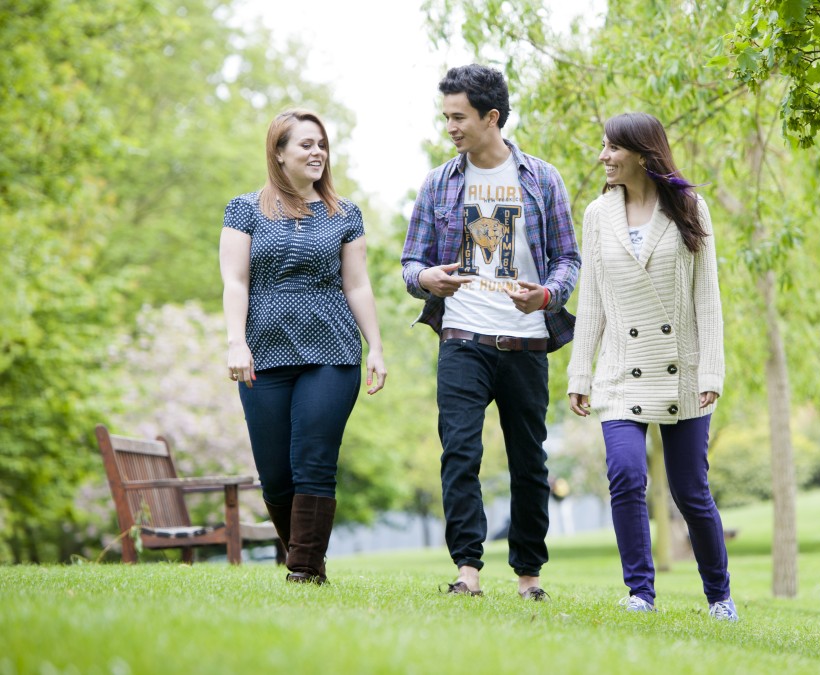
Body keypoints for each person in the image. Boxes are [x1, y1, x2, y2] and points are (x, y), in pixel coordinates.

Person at [401, 64, 580, 600]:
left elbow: (568, 259)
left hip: (525, 341)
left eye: (459, 117)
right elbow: (412, 262)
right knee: (459, 453)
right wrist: (426, 279)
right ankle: (467, 572)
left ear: (491, 117)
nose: (450, 127)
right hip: (462, 339)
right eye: (446, 117)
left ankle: (529, 576)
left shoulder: (542, 178)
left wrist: (547, 295)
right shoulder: (439, 183)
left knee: (530, 461)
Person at [566, 112, 737, 621]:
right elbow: (591, 299)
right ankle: (640, 592)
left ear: (642, 152)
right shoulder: (598, 214)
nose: (603, 157)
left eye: (612, 148)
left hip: (680, 367)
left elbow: (708, 298)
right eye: (602, 147)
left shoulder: (689, 206)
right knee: (624, 473)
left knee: (690, 490)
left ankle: (719, 596)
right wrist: (581, 372)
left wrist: (711, 372)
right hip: (620, 369)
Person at [219, 109, 387, 584]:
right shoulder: (244, 209)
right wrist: (236, 342)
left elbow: (357, 285)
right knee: (275, 474)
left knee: (314, 460)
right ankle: (308, 558)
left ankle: (304, 572)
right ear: (278, 152)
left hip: (331, 353)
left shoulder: (345, 214)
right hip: (263, 353)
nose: (318, 153)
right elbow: (235, 281)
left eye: (322, 145)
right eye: (305, 145)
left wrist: (374, 347)